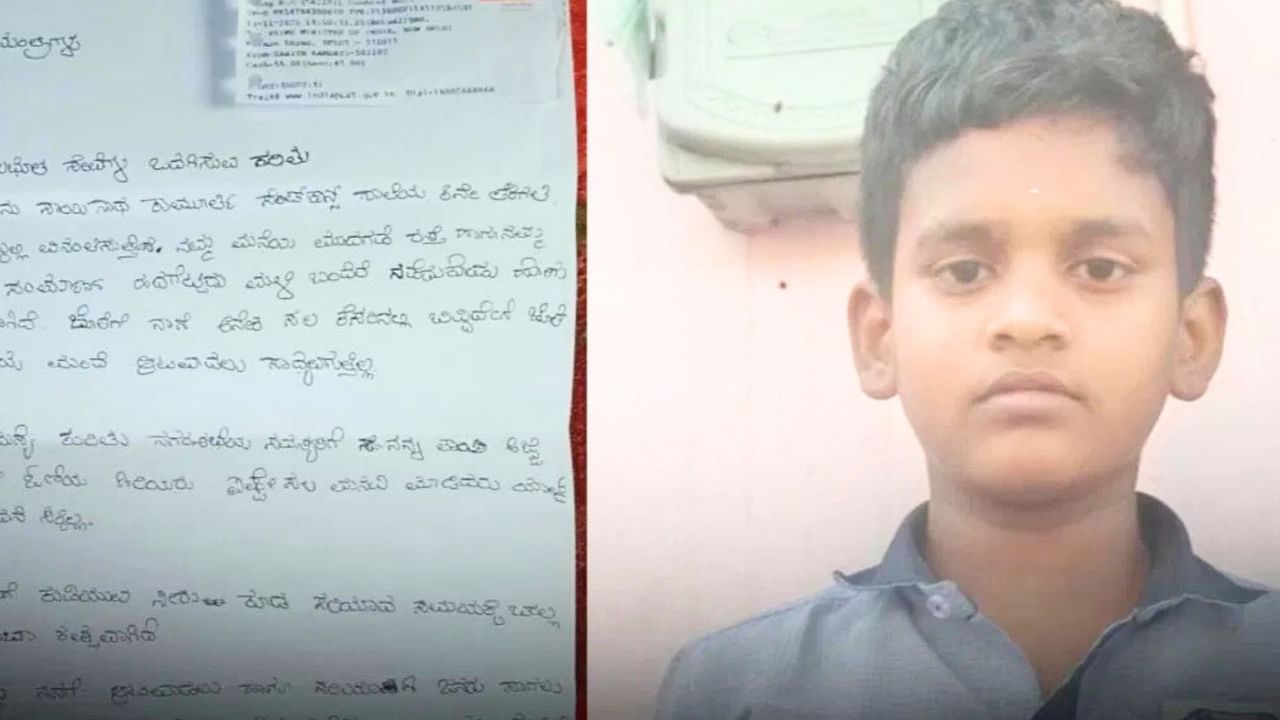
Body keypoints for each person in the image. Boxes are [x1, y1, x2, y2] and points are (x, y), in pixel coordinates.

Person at [654, 1, 1280, 718]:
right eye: (964, 271)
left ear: (1191, 335)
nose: (1027, 320)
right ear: (879, 336)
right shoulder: (734, 693)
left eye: (1100, 268)